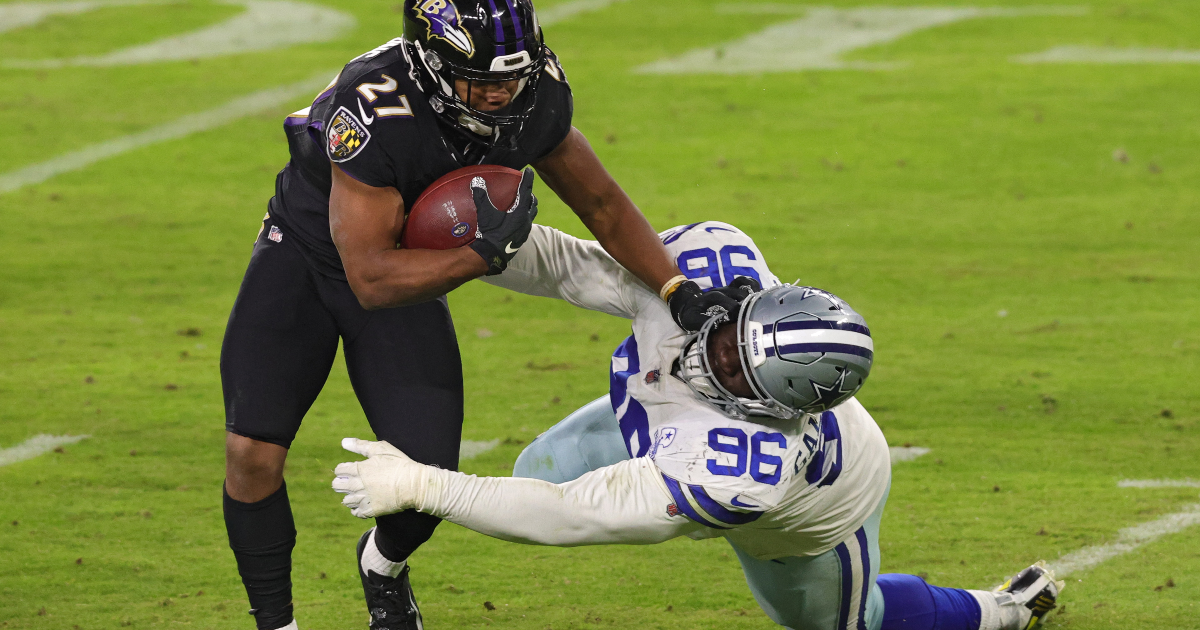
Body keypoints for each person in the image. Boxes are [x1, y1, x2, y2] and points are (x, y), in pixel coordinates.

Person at [219, 1, 738, 628]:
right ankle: (275, 621)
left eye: (509, 77)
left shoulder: (535, 90)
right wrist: (480, 254)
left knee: (428, 480)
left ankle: (381, 567)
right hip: (307, 259)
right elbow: (370, 278)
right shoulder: (374, 109)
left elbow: (599, 200)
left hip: (410, 273)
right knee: (251, 453)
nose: (500, 94)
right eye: (483, 80)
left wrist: (675, 287)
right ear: (430, 64)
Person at [332, 221, 1065, 630]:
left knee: (854, 625)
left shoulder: (745, 465)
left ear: (780, 407)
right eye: (728, 339)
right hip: (666, 439)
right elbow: (564, 265)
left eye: (739, 374)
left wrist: (426, 483)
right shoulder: (711, 268)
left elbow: (570, 520)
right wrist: (456, 243)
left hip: (811, 518)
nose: (713, 360)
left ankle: (995, 613)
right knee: (532, 471)